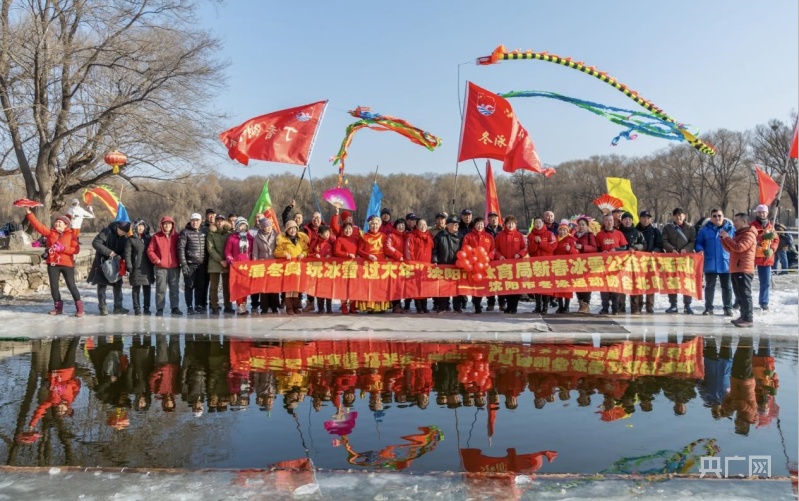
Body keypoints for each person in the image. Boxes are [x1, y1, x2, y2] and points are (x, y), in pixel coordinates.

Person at [23, 208, 83, 316]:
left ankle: (79, 309)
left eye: (59, 222)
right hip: (53, 263)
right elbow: (38, 226)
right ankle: (58, 308)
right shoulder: (51, 233)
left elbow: (76, 250)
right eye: (56, 221)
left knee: (71, 285)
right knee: (54, 286)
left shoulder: (71, 235)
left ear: (66, 225)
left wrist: (63, 248)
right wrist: (29, 213)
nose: (57, 223)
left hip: (67, 264)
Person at [695, 209, 735, 317]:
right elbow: (698, 243)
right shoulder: (704, 230)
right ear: (711, 217)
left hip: (725, 262)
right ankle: (708, 308)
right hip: (710, 262)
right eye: (714, 216)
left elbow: (736, 243)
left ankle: (728, 308)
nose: (717, 218)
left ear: (723, 216)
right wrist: (700, 249)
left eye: (719, 216)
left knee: (727, 287)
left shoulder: (730, 229)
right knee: (709, 287)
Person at [720, 213, 758, 328]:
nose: (734, 223)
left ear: (744, 222)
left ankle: (749, 318)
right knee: (739, 294)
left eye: (736, 221)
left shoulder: (749, 234)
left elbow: (739, 247)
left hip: (744, 269)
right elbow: (730, 249)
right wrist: (723, 239)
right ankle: (743, 315)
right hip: (736, 268)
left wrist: (727, 237)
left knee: (745, 294)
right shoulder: (739, 234)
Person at [89, 220, 130, 315]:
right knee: (102, 285)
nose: (122, 234)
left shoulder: (124, 238)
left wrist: (121, 256)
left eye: (124, 233)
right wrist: (109, 252)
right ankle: (102, 307)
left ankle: (118, 307)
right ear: (117, 228)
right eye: (121, 231)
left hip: (116, 264)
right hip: (102, 263)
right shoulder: (107, 231)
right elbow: (96, 243)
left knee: (118, 284)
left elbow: (124, 251)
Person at [662, 207, 696, 314]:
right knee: (672, 281)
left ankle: (687, 305)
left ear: (684, 216)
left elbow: (693, 241)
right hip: (671, 258)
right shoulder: (668, 228)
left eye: (681, 215)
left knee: (687, 281)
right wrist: (671, 249)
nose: (679, 217)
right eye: (676, 215)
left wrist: (686, 249)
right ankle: (673, 304)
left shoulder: (690, 228)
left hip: (686, 259)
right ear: (673, 216)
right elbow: (664, 240)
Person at [147, 216, 182, 316]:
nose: (167, 226)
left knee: (174, 288)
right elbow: (150, 250)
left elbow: (181, 249)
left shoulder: (177, 236)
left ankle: (175, 307)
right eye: (165, 224)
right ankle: (160, 308)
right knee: (160, 289)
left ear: (172, 225)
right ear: (162, 225)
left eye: (169, 224)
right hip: (160, 267)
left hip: (174, 266)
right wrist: (156, 260)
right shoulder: (156, 237)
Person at [356, 215, 391, 313]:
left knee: (381, 286)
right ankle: (370, 306)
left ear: (379, 225)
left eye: (376, 224)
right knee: (369, 286)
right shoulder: (364, 236)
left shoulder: (383, 236)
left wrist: (388, 257)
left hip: (381, 264)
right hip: (368, 265)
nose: (374, 226)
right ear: (369, 225)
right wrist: (369, 256)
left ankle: (381, 306)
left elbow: (386, 249)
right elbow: (360, 250)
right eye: (372, 224)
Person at [274, 219, 309, 314]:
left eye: (294, 228)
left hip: (298, 267)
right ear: (287, 230)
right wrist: (284, 253)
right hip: (288, 268)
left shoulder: (301, 239)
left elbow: (306, 250)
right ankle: (289, 307)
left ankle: (296, 307)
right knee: (289, 288)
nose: (292, 231)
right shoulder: (283, 240)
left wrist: (303, 254)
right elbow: (276, 252)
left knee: (296, 288)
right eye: (290, 229)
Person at [595, 213, 628, 315]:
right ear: (603, 222)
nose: (609, 223)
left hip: (616, 265)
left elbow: (624, 247)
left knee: (615, 287)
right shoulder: (599, 235)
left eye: (611, 221)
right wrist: (601, 253)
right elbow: (597, 248)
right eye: (607, 221)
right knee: (604, 287)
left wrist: (616, 249)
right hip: (603, 265)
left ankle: (615, 308)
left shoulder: (619, 234)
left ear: (613, 222)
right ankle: (605, 307)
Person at [494, 215, 527, 314]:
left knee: (516, 287)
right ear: (505, 224)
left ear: (515, 224)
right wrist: (499, 256)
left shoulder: (519, 235)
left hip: (516, 266)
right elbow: (495, 249)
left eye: (512, 224)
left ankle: (514, 307)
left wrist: (520, 254)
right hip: (504, 266)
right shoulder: (500, 235)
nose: (511, 225)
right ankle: (508, 306)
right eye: (509, 223)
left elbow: (525, 248)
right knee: (506, 287)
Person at [462, 217, 495, 314]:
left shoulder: (489, 237)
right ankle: (477, 305)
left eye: (481, 224)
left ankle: (491, 303)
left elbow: (493, 249)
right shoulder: (468, 236)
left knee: (488, 284)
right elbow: (464, 248)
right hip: (474, 266)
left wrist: (489, 257)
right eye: (477, 224)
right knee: (476, 285)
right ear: (474, 225)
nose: (479, 226)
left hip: (487, 265)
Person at [750, 204, 780, 311]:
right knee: (746, 280)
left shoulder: (771, 226)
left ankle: (764, 302)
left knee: (765, 282)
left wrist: (772, 249)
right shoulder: (752, 225)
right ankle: (740, 300)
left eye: (764, 212)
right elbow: (750, 237)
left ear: (767, 213)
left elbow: (776, 240)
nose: (761, 214)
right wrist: (761, 237)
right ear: (756, 213)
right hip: (752, 257)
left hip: (766, 258)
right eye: (759, 212)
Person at [634, 210, 664, 314]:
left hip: (651, 262)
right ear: (640, 219)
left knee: (650, 283)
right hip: (637, 262)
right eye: (643, 218)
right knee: (638, 283)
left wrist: (654, 251)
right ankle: (638, 305)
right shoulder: (635, 230)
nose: (645, 220)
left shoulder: (655, 231)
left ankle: (649, 305)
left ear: (650, 219)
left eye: (647, 218)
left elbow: (660, 245)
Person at [433, 216, 463, 313]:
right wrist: (434, 260)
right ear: (448, 225)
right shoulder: (440, 236)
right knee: (443, 287)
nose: (456, 226)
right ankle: (442, 307)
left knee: (457, 287)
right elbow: (435, 250)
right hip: (443, 266)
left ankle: (457, 307)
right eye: (454, 224)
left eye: (457, 224)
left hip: (456, 266)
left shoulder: (460, 236)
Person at [178, 213, 207, 315]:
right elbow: (181, 249)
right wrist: (184, 264)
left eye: (197, 220)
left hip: (202, 264)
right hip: (190, 264)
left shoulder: (204, 232)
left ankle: (198, 305)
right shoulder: (185, 233)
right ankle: (190, 307)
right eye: (193, 220)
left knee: (200, 286)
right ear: (190, 221)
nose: (195, 222)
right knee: (189, 286)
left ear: (200, 221)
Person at [225, 217, 255, 315]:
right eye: (240, 225)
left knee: (245, 287)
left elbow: (253, 251)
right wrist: (230, 259)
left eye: (244, 225)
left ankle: (244, 304)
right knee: (237, 287)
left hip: (247, 266)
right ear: (237, 226)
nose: (242, 227)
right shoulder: (232, 238)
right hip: (236, 266)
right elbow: (228, 251)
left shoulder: (250, 238)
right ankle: (239, 306)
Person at [125, 219, 155, 315]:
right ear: (135, 227)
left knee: (147, 288)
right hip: (136, 267)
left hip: (147, 267)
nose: (140, 228)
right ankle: (136, 307)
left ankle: (146, 307)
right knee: (136, 288)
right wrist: (129, 265)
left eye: (142, 226)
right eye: (138, 226)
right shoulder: (131, 239)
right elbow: (128, 254)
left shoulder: (149, 239)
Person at [527, 216, 556, 314]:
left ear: (543, 223)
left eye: (539, 222)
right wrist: (535, 242)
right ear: (534, 224)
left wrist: (541, 243)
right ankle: (538, 306)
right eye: (536, 223)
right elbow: (530, 250)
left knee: (546, 286)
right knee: (537, 286)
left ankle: (545, 307)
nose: (538, 224)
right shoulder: (530, 236)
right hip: (535, 265)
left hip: (547, 265)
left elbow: (552, 247)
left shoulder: (550, 234)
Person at [405, 218, 434, 313]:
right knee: (416, 287)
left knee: (425, 286)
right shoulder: (412, 236)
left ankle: (424, 306)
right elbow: (409, 251)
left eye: (425, 225)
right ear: (416, 226)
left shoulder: (429, 237)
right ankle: (419, 307)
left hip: (426, 266)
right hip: (416, 266)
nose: (423, 227)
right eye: (421, 225)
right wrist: (412, 264)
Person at [252, 217, 280, 314]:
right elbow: (255, 253)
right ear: (262, 227)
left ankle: (274, 306)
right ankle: (264, 307)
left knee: (274, 286)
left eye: (269, 225)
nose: (268, 228)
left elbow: (279, 248)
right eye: (266, 226)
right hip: (262, 264)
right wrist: (255, 264)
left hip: (274, 265)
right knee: (263, 287)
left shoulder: (276, 235)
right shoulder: (257, 237)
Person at [618, 212, 644, 314]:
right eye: (625, 219)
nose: (627, 221)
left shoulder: (637, 232)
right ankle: (620, 307)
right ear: (622, 221)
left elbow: (643, 244)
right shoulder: (618, 232)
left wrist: (636, 247)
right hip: (620, 263)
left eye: (629, 219)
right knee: (621, 284)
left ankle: (635, 307)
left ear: (632, 221)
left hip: (635, 264)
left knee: (634, 284)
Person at [207, 215, 234, 315]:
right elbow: (210, 249)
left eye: (221, 221)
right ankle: (214, 306)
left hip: (227, 262)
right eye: (217, 221)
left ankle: (228, 305)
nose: (219, 223)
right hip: (215, 262)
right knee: (214, 286)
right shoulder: (211, 234)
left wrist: (227, 260)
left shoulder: (229, 233)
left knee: (227, 285)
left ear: (224, 222)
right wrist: (220, 260)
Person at [552, 220, 579, 313]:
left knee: (567, 287)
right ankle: (560, 306)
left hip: (567, 268)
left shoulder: (571, 240)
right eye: (561, 230)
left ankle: (567, 307)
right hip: (557, 267)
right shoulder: (555, 239)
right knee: (558, 287)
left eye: (564, 230)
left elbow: (576, 254)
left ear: (567, 231)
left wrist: (570, 249)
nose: (562, 232)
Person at [333, 221, 360, 314]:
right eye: (346, 229)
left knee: (353, 286)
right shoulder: (339, 239)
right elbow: (336, 251)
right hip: (343, 266)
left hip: (354, 266)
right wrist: (347, 254)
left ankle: (352, 306)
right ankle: (344, 306)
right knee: (343, 287)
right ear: (343, 230)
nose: (348, 231)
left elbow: (359, 250)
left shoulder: (356, 239)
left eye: (350, 229)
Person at [573, 217, 598, 314]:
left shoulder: (590, 235)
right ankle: (580, 303)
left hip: (586, 263)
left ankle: (586, 303)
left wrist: (583, 247)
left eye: (583, 225)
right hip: (576, 263)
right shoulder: (574, 235)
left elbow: (594, 248)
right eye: (579, 225)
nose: (581, 227)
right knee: (577, 283)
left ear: (587, 226)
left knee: (586, 283)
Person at [310, 224, 335, 314]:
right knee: (319, 289)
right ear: (320, 234)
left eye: (328, 233)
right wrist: (314, 255)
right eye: (325, 233)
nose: (327, 234)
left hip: (329, 270)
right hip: (318, 270)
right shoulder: (316, 244)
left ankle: (329, 308)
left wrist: (331, 255)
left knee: (329, 289)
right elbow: (309, 253)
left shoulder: (331, 243)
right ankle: (320, 307)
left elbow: (336, 254)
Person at [386, 218, 407, 313]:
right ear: (395, 226)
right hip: (393, 265)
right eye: (399, 224)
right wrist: (399, 256)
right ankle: (396, 304)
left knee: (401, 285)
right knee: (394, 285)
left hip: (403, 265)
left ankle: (400, 303)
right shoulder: (391, 236)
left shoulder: (405, 236)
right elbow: (388, 247)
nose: (401, 226)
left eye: (403, 225)